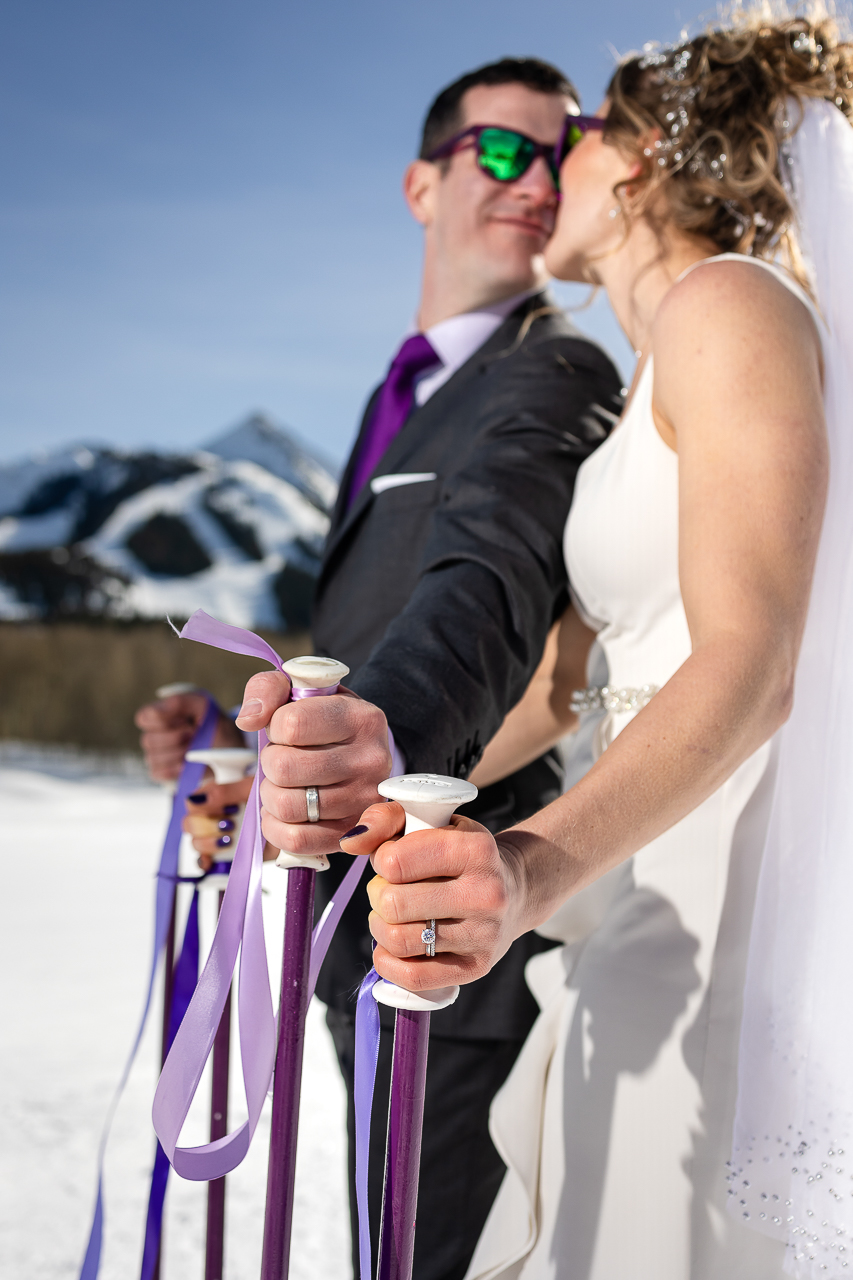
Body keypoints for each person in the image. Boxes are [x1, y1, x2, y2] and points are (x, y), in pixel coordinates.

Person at [342, 10, 853, 1278]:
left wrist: (526, 870)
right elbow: (570, 680)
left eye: (568, 139)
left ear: (632, 162)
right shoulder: (647, 371)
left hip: (709, 882)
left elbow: (750, 662)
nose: (542, 169)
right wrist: (348, 786)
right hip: (628, 881)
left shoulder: (729, 306)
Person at [136, 58, 623, 1280]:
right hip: (352, 930)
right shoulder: (395, 397)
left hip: (457, 948)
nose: (534, 178)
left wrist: (379, 745)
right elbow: (363, 624)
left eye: (559, 155)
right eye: (502, 151)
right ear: (422, 181)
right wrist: (242, 748)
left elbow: (490, 592)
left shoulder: (554, 369)